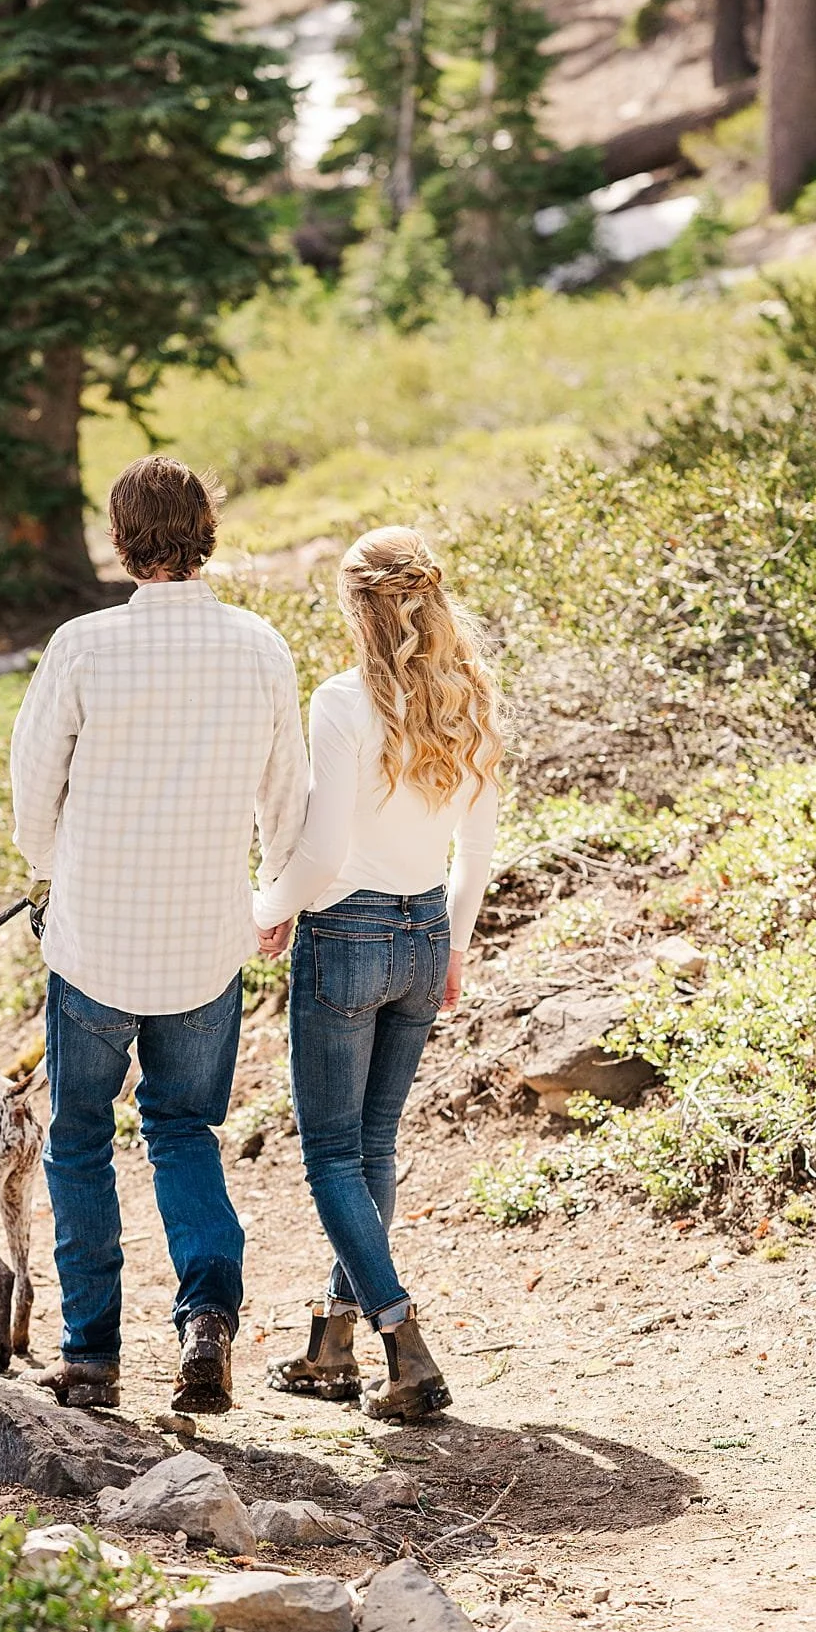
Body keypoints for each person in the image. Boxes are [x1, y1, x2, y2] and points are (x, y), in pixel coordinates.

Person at [11, 456, 307, 1413]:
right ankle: (207, 1318)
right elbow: (287, 795)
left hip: (94, 940)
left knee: (80, 1137)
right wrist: (273, 900)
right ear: (207, 530)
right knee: (185, 1131)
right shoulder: (259, 644)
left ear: (120, 536)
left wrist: (57, 864)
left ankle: (91, 1353)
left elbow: (31, 786)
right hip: (206, 942)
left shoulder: (83, 645)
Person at [250, 527, 501, 1423]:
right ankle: (333, 1344)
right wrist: (456, 946)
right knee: (375, 1145)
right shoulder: (468, 695)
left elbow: (321, 850)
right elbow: (477, 848)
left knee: (330, 1153)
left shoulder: (342, 701)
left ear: (356, 604)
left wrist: (265, 908)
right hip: (427, 927)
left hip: (347, 930)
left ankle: (401, 1336)